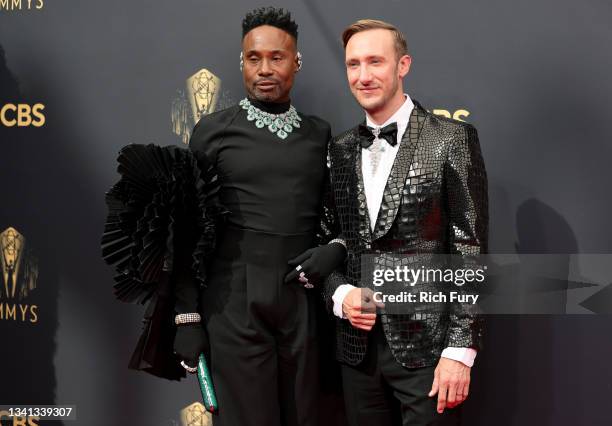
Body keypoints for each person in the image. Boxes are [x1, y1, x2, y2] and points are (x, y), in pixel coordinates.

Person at [171, 7, 346, 426]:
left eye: (277, 57)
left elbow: (342, 218)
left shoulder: (319, 134)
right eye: (254, 58)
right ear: (242, 63)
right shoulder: (212, 131)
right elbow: (184, 229)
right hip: (233, 306)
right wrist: (187, 316)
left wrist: (335, 250)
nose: (264, 69)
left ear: (297, 63)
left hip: (302, 305)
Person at [323, 19, 488, 425]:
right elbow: (326, 238)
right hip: (356, 352)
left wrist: (460, 351)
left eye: (375, 62)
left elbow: (470, 251)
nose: (363, 76)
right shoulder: (339, 150)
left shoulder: (451, 139)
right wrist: (339, 292)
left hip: (430, 352)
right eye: (353, 64)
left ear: (403, 65)